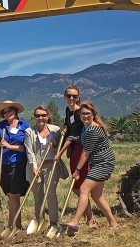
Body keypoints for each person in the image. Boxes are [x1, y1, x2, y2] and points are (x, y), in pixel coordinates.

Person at [62, 101, 118, 231]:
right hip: (100, 163)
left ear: (93, 114)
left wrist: (77, 170)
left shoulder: (93, 130)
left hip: (103, 163)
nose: (85, 116)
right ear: (80, 115)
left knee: (83, 189)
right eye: (83, 114)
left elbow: (85, 153)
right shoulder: (85, 127)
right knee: (96, 196)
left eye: (88, 113)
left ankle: (75, 222)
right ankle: (114, 223)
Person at [54, 85, 96, 227]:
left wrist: (59, 153)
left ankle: (90, 217)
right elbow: (69, 124)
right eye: (69, 96)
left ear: (78, 97)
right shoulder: (68, 110)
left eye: (74, 96)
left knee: (79, 185)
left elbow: (72, 137)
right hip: (74, 151)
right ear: (65, 96)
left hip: (81, 149)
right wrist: (65, 125)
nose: (71, 98)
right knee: (77, 185)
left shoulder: (80, 113)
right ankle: (89, 214)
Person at [0, 100, 30, 229]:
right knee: (10, 194)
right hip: (4, 164)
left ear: (15, 111)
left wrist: (9, 146)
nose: (7, 114)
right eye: (4, 112)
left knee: (14, 195)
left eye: (9, 111)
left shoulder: (24, 126)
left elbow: (27, 147)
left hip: (18, 164)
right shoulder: (2, 126)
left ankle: (11, 225)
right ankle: (17, 225)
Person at [24, 106, 69, 227]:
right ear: (35, 117)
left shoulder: (55, 130)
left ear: (48, 116)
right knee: (38, 196)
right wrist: (34, 167)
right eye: (38, 116)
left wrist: (55, 145)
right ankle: (40, 220)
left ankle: (54, 222)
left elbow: (61, 147)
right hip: (35, 167)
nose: (40, 118)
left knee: (51, 193)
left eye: (43, 115)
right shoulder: (29, 132)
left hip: (51, 165)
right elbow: (29, 151)